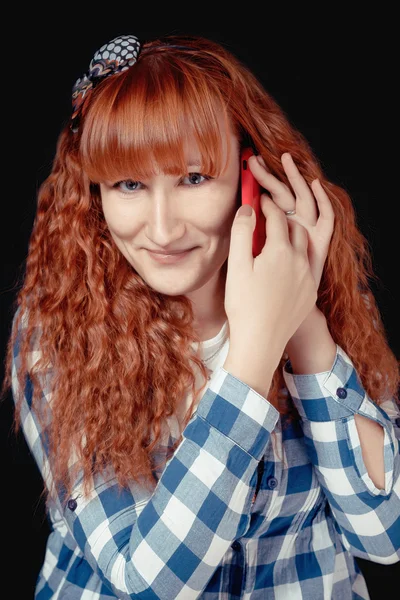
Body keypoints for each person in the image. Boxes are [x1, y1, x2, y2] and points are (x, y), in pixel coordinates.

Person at [1, 32, 399, 600]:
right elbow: (147, 582)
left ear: (249, 171)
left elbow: (386, 535)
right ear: (96, 193)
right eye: (130, 184)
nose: (162, 230)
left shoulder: (333, 298)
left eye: (193, 178)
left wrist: (305, 319)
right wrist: (257, 350)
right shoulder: (58, 332)